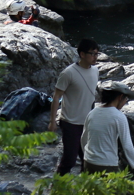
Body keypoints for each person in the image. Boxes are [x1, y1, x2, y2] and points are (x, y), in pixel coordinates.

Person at [48, 38, 101, 174]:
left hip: (87, 123)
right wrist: (52, 122)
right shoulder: (68, 73)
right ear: (82, 54)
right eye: (92, 54)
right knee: (70, 159)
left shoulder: (95, 71)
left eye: (97, 54)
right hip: (70, 122)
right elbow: (56, 97)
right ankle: (57, 187)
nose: (95, 57)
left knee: (87, 159)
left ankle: (84, 187)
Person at [81, 81, 134, 176]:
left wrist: (88, 156)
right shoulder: (119, 117)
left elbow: (84, 138)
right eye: (125, 99)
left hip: (88, 162)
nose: (125, 102)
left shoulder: (92, 113)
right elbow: (127, 145)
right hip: (107, 165)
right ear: (120, 97)